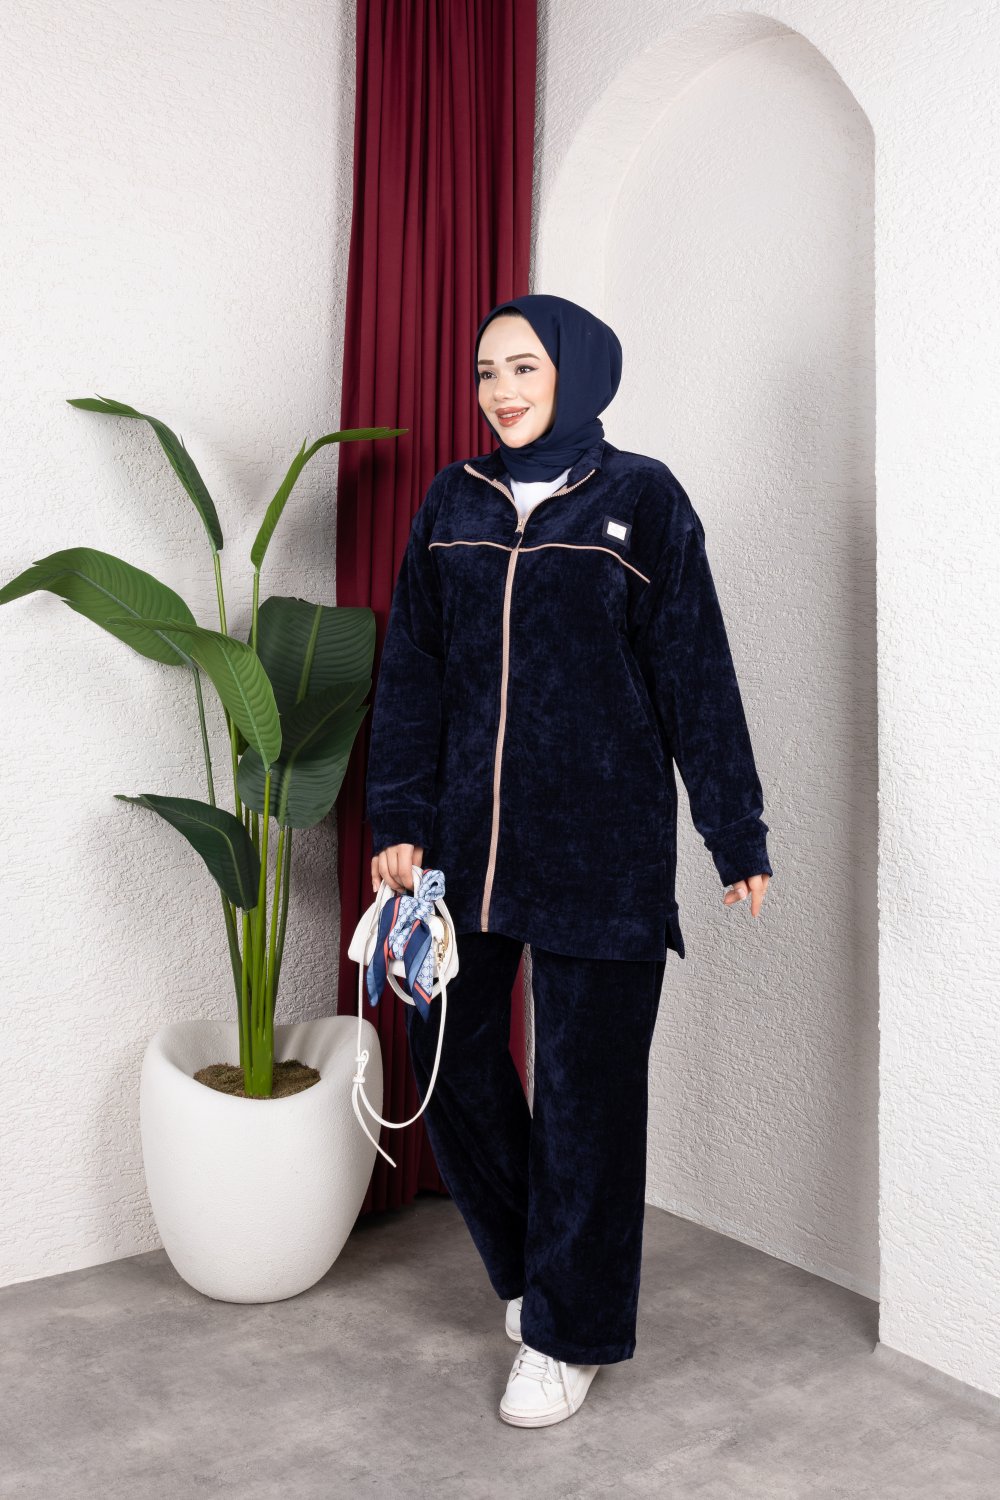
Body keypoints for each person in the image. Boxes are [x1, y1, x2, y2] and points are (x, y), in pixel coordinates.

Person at [364, 293, 772, 1428]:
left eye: (523, 367)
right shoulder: (452, 499)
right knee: (445, 1059)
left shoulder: (642, 498)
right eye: (486, 371)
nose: (499, 391)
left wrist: (734, 830)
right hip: (463, 845)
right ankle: (534, 1271)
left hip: (602, 847)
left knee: (589, 1098)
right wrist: (397, 814)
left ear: (577, 371)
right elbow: (414, 669)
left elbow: (695, 672)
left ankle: (567, 1332)